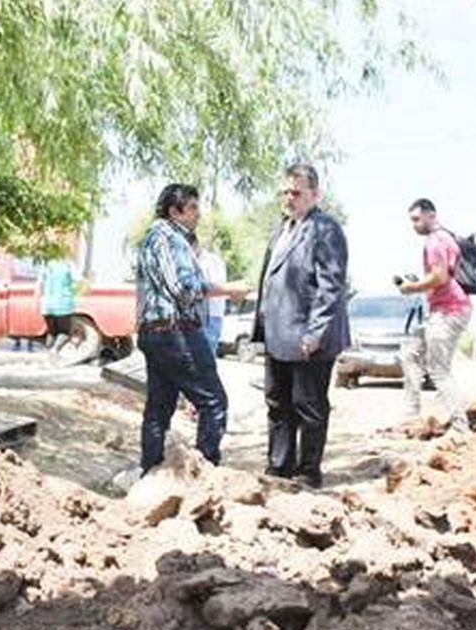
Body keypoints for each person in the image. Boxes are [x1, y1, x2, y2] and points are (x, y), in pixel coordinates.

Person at [134, 183, 248, 473]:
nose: (199, 214)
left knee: (159, 410)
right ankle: (205, 474)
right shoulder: (168, 238)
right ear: (175, 211)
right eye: (193, 208)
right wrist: (227, 289)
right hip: (175, 332)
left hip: (158, 331)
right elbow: (183, 288)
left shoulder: (159, 237)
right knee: (213, 402)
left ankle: (151, 474)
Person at [252, 163, 350, 488]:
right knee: (277, 403)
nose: (289, 198)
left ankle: (308, 473)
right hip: (279, 335)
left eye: (296, 192)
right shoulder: (282, 229)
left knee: (308, 406)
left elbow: (330, 285)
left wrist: (315, 332)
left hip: (310, 338)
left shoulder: (326, 228)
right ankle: (279, 467)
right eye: (286, 191)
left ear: (314, 194)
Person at [397, 197, 473, 436]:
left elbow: (439, 277)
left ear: (431, 215)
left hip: (449, 311)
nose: (415, 225)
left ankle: (461, 428)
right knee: (408, 353)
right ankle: (411, 415)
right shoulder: (443, 238)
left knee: (439, 369)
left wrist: (412, 287)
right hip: (441, 310)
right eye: (412, 220)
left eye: (417, 219)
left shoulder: (436, 241)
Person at [38, 256, 78, 351]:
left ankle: (48, 353)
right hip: (64, 304)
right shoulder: (68, 264)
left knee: (52, 333)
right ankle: (54, 351)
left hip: (47, 305)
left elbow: (40, 283)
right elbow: (77, 281)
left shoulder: (46, 264)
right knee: (64, 333)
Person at [196, 242, 228, 358]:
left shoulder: (212, 262)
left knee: (205, 361)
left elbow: (216, 289)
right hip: (196, 318)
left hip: (210, 317)